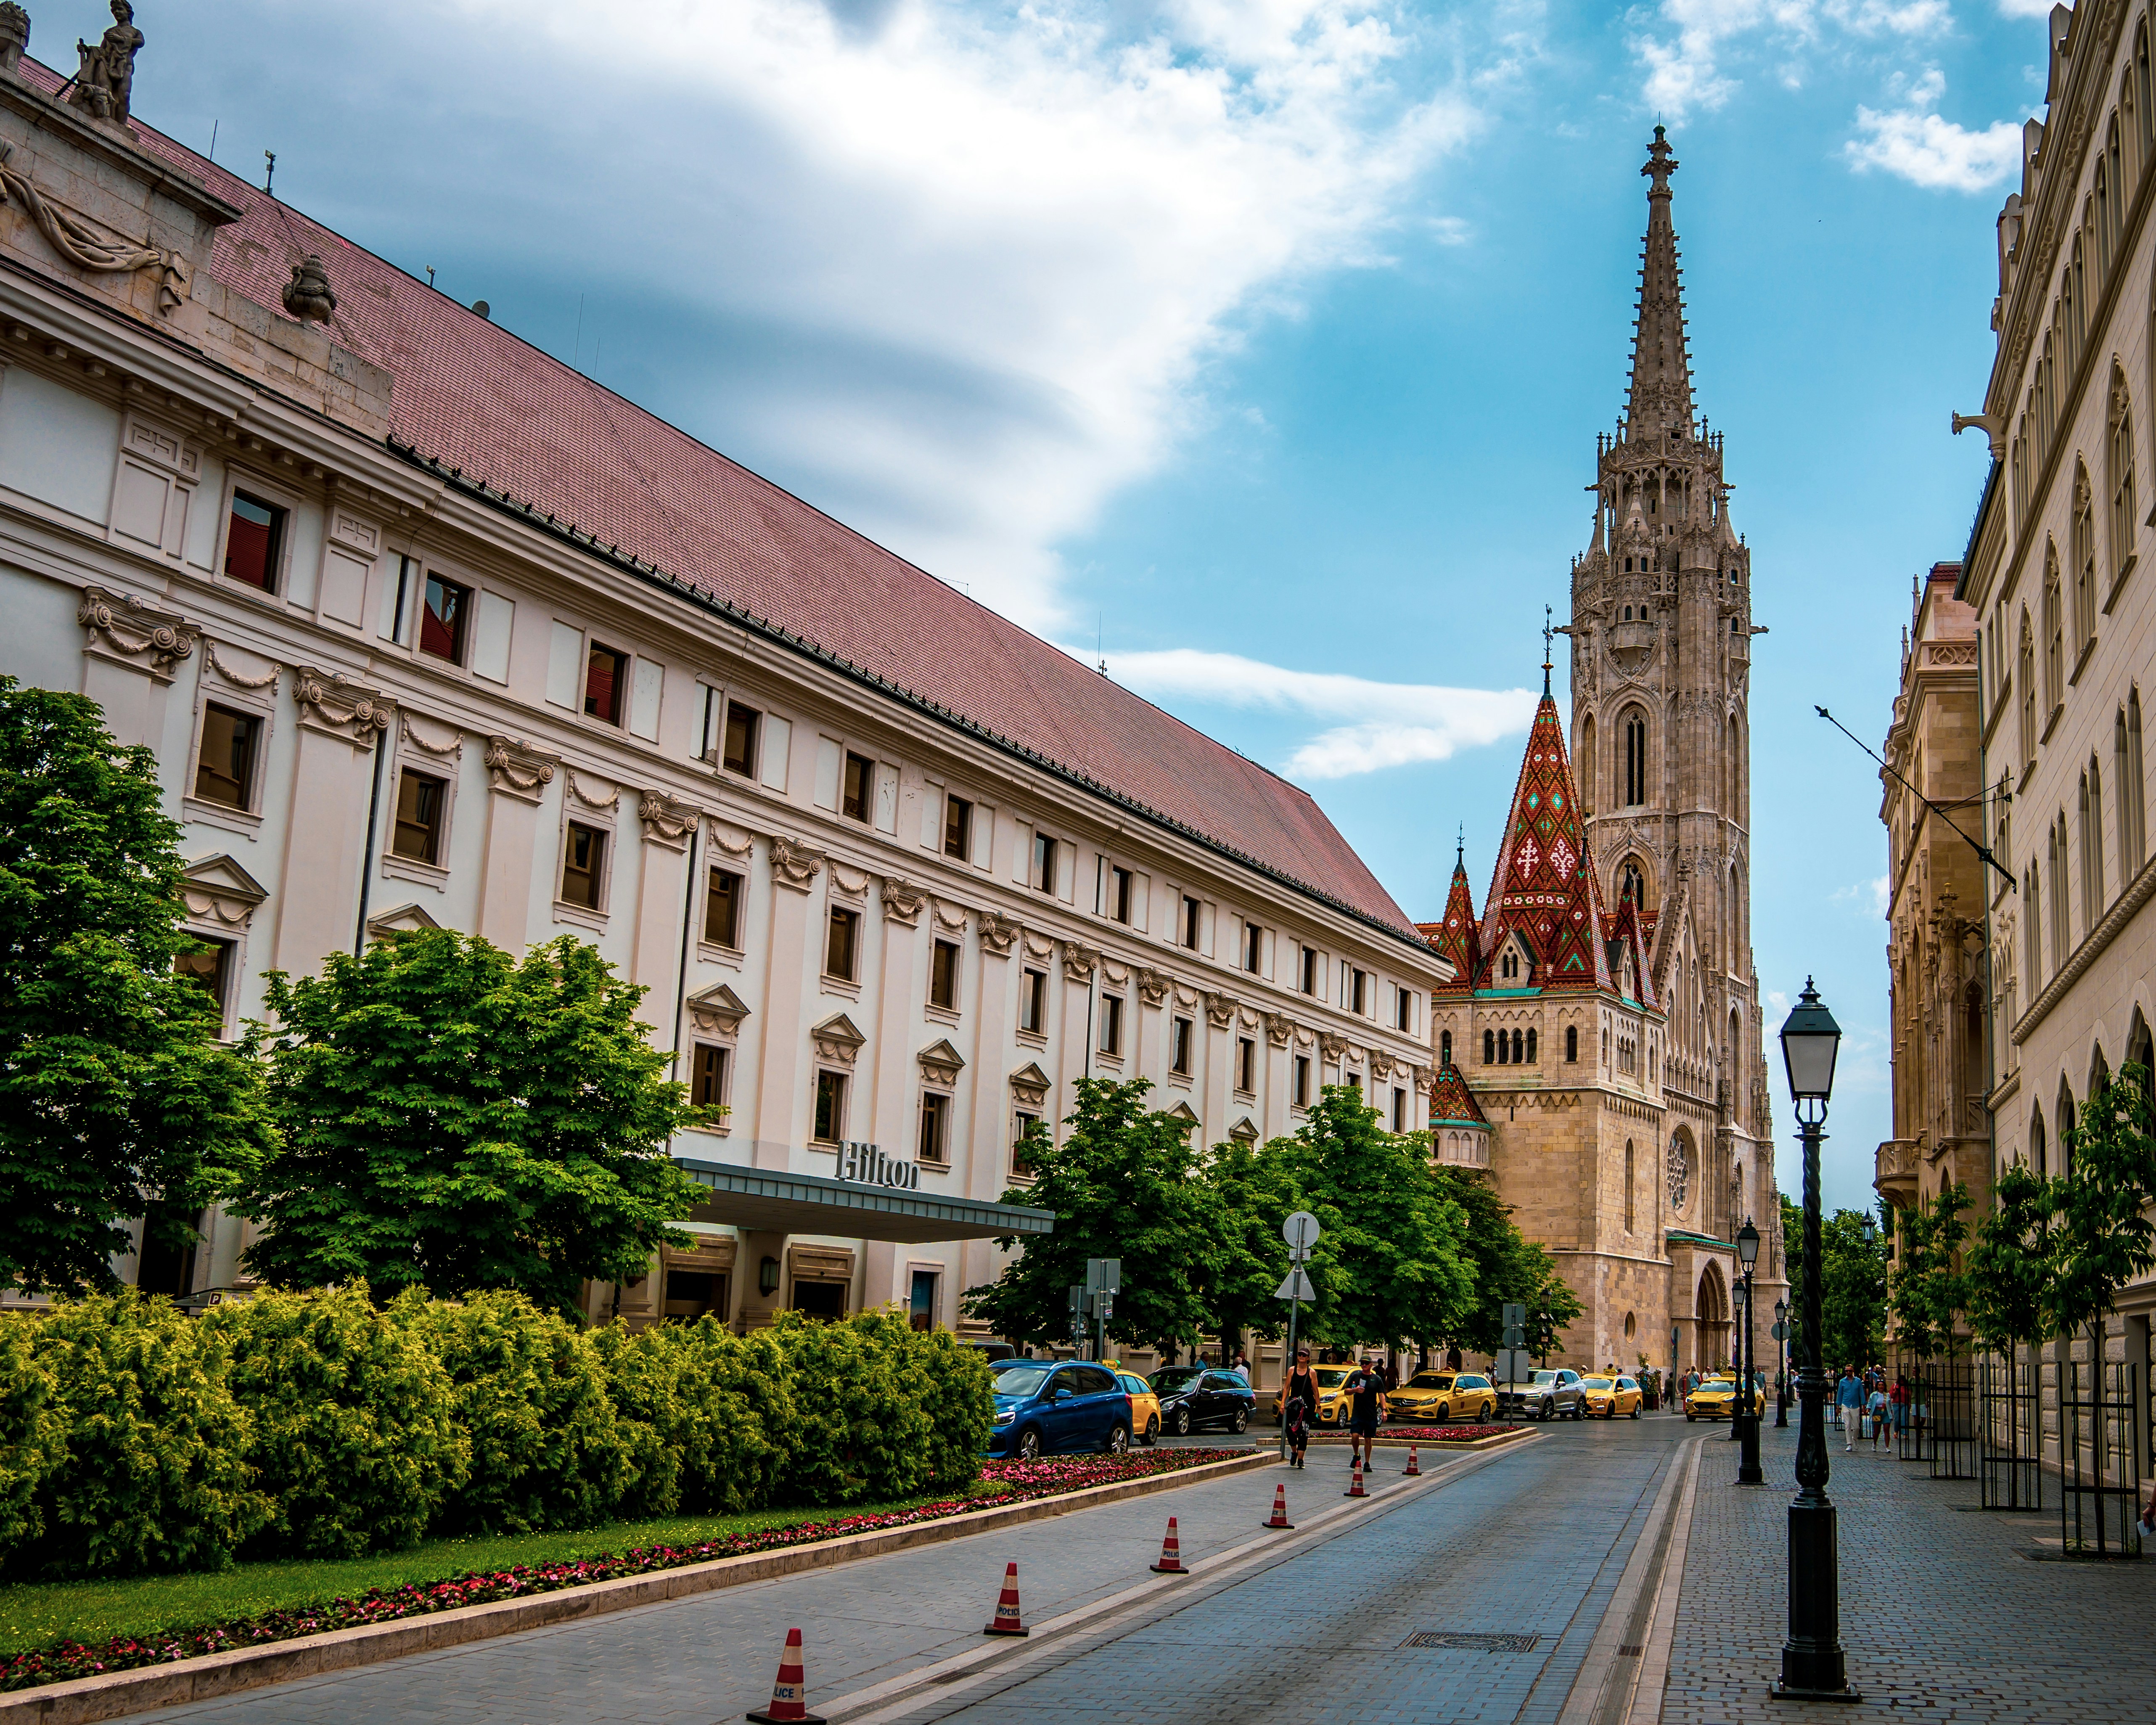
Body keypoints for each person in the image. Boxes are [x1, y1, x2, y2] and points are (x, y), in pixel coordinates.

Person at [1282, 1348, 1319, 1469]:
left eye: (1305, 1355)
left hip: (1307, 1406)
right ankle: (1294, 1452)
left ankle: (1301, 1460)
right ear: (1298, 1357)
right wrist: (1283, 1403)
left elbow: (1315, 1390)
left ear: (1308, 1358)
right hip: (1294, 1406)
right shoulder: (1292, 1371)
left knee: (1304, 1432)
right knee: (1289, 1430)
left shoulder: (1312, 1372)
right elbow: (1287, 1388)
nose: (1302, 1356)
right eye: (1300, 1354)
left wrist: (1319, 1406)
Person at [1347, 1356, 1385, 1473]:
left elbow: (1382, 1395)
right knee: (1354, 1436)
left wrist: (1384, 1410)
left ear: (1371, 1365)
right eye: (1362, 1363)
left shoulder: (1376, 1379)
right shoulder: (1356, 1376)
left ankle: (1367, 1463)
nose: (1364, 1365)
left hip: (1371, 1413)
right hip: (1358, 1412)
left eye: (1366, 1363)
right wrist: (1355, 1390)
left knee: (1368, 1439)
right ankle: (1356, 1454)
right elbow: (1346, 1391)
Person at [1836, 1368, 1863, 1450]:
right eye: (1847, 1371)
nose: (1848, 1372)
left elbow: (1861, 1393)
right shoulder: (1842, 1382)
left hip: (1855, 1405)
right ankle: (1849, 1444)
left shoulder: (1858, 1381)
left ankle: (1854, 1439)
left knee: (1856, 1427)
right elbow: (1840, 1394)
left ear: (1853, 1371)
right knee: (1847, 1425)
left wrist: (1864, 1404)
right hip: (1846, 1404)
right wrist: (1838, 1406)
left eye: (1850, 1371)